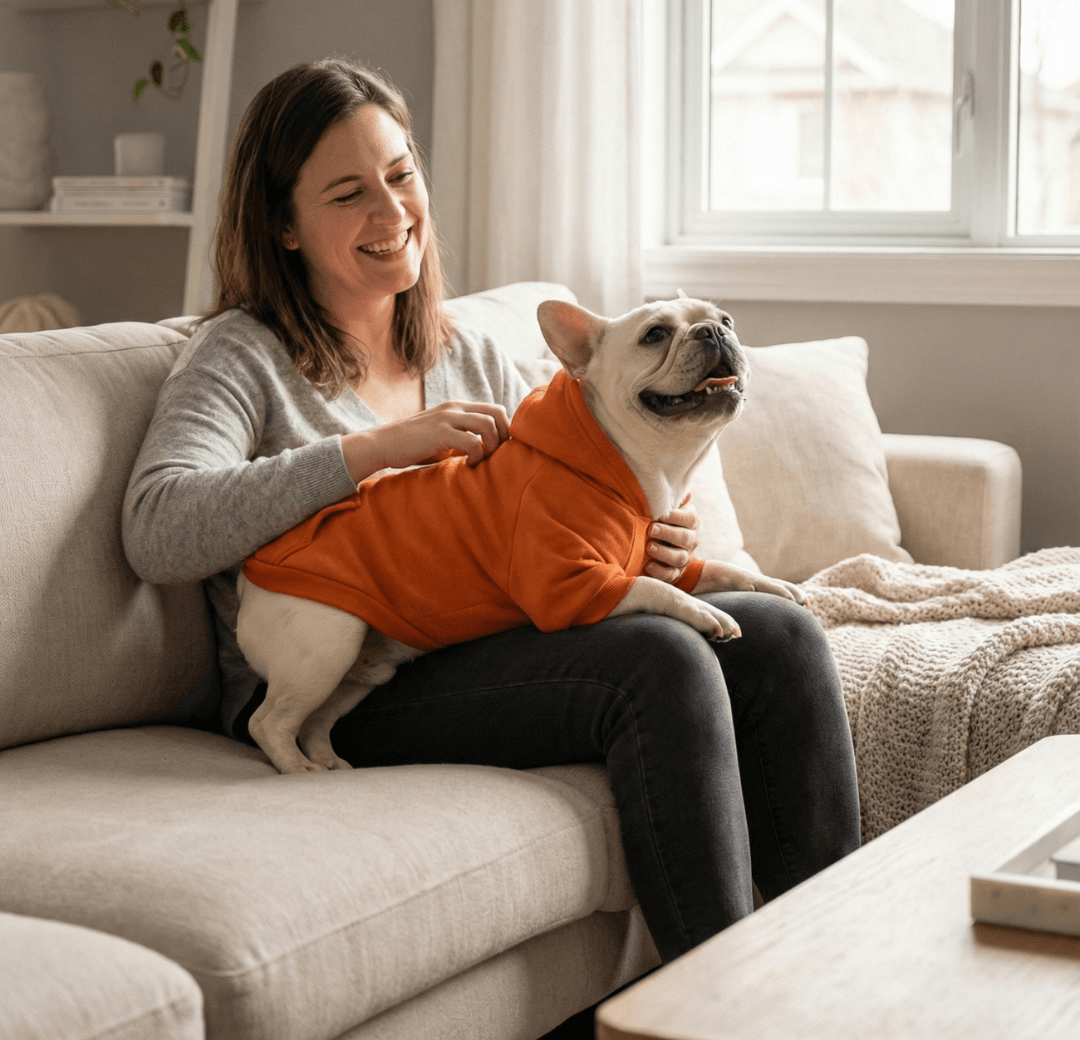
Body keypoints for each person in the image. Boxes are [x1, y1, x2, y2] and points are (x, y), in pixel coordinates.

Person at [122, 57, 860, 965]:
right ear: (282, 224)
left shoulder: (463, 349)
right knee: (660, 657)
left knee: (780, 634)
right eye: (349, 193)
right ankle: (715, 999)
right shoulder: (239, 356)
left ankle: (834, 963)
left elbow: (562, 505)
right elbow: (158, 528)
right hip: (358, 678)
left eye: (400, 176)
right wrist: (369, 452)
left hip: (494, 629)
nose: (392, 214)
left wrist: (650, 539)